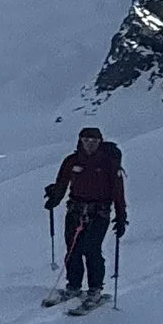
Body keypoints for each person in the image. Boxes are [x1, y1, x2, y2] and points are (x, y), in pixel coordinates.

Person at [44, 125, 127, 305]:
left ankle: (95, 290)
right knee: (73, 249)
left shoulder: (108, 164)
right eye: (87, 140)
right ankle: (73, 286)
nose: (90, 144)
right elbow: (62, 183)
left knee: (91, 249)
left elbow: (118, 192)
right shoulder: (71, 161)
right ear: (80, 140)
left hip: (100, 213)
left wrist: (121, 217)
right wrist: (54, 199)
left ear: (100, 142)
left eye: (94, 141)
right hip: (75, 210)